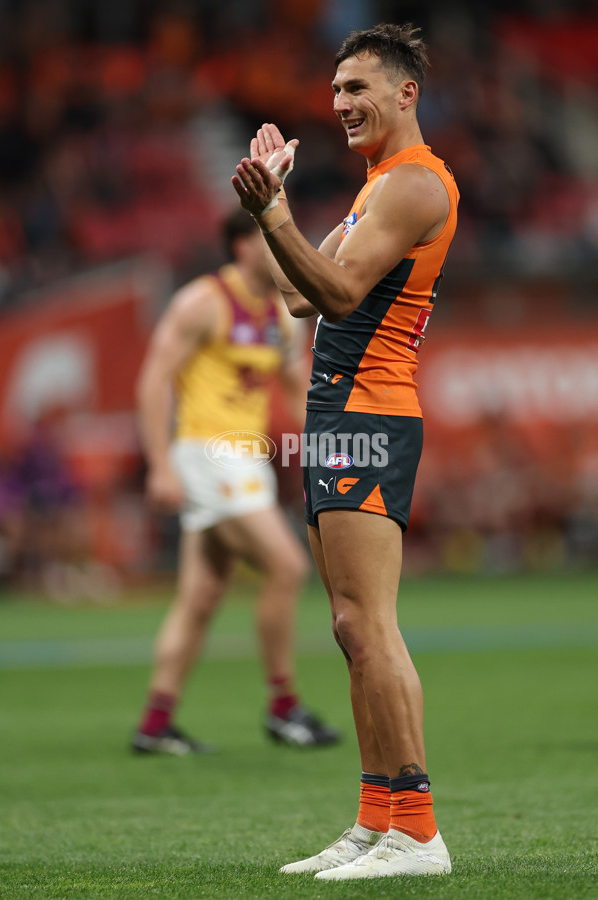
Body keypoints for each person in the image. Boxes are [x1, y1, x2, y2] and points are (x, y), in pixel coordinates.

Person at [232, 23, 458, 881]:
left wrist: (274, 210)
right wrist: (270, 207)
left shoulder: (413, 186)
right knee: (348, 628)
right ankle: (375, 819)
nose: (341, 106)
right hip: (337, 417)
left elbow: (339, 288)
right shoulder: (374, 191)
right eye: (334, 92)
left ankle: (420, 832)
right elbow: (296, 295)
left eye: (358, 88)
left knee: (371, 623)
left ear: (406, 93)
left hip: (371, 414)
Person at [131, 207, 340, 754]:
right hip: (207, 454)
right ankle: (284, 707)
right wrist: (160, 462)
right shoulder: (202, 302)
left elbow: (296, 390)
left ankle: (156, 722)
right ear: (242, 246)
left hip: (246, 461)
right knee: (287, 566)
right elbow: (154, 380)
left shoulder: (284, 312)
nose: (282, 246)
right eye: (269, 237)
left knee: (200, 595)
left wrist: (323, 452)